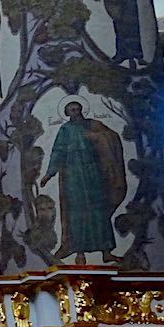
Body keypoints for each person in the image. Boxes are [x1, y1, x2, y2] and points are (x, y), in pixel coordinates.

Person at [40, 100, 127, 262]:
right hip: (73, 176)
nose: (75, 112)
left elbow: (112, 137)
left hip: (94, 173)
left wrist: (96, 137)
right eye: (71, 110)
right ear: (67, 113)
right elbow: (57, 151)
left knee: (99, 210)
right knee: (76, 213)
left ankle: (106, 252)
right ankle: (79, 253)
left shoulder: (93, 125)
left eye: (77, 109)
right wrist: (49, 173)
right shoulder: (65, 129)